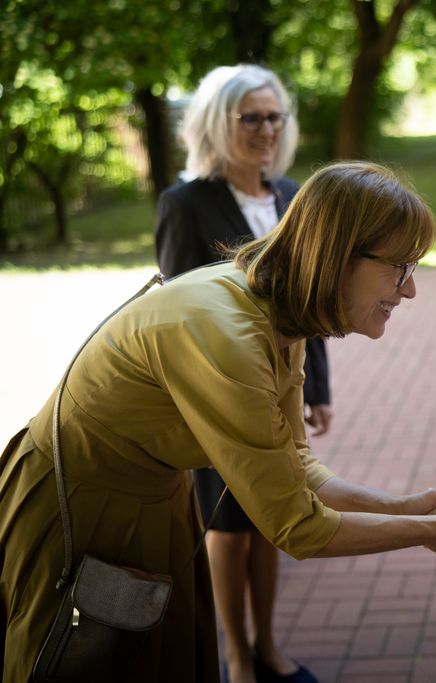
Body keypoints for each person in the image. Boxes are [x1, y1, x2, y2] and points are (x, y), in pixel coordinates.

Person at [0, 161, 436, 683]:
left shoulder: (279, 314)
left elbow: (296, 462)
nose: (409, 289)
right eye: (399, 267)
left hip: (155, 500)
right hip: (81, 503)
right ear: (336, 257)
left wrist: (402, 507)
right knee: (76, 659)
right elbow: (298, 528)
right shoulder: (227, 333)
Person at [154, 64, 331, 683]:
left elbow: (311, 299)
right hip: (215, 395)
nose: (264, 129)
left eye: (273, 117)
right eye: (249, 117)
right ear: (216, 123)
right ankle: (234, 653)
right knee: (228, 525)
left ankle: (267, 642)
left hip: (280, 386)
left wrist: (319, 389)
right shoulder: (184, 203)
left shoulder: (288, 195)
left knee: (272, 516)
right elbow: (174, 314)